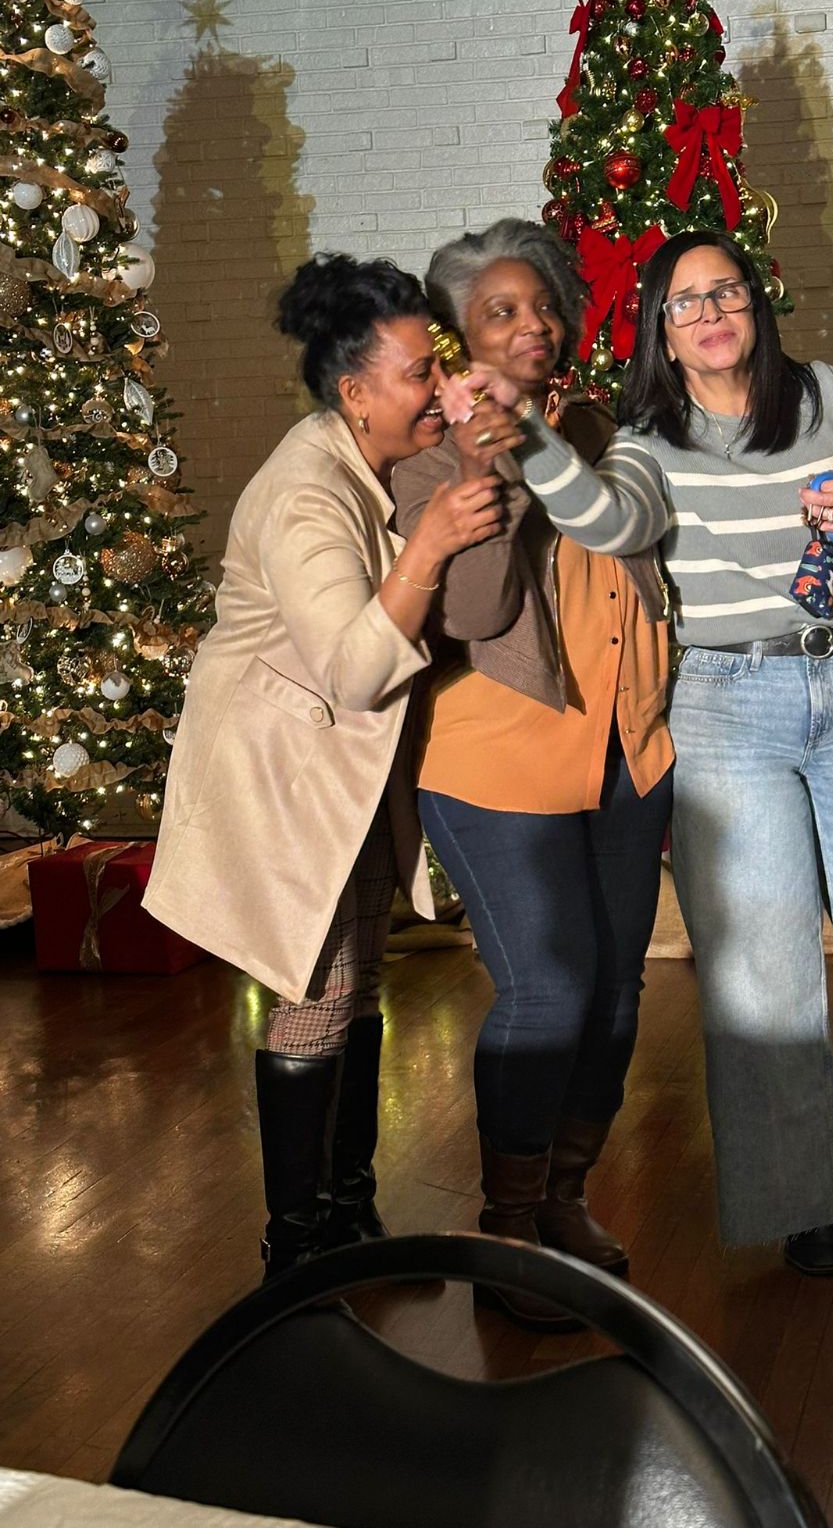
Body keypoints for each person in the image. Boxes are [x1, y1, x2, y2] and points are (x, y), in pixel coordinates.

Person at [441, 228, 833, 1276]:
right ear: (661, 331)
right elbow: (608, 521)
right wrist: (530, 437)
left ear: (754, 305)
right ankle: (797, 1202)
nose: (709, 313)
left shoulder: (824, 394)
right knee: (762, 971)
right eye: (684, 302)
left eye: (724, 291)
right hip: (725, 706)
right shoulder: (648, 435)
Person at [144, 254, 506, 1279]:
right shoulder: (306, 492)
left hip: (341, 767)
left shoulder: (370, 461)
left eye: (439, 364)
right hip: (281, 773)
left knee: (360, 981)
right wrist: (430, 545)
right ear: (354, 392)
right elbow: (352, 670)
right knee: (313, 991)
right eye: (418, 373)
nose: (438, 387)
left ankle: (348, 1216)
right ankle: (296, 1253)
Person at [390, 219, 673, 1327]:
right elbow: (474, 612)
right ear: (457, 337)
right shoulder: (429, 453)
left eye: (545, 304)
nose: (533, 325)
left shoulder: (601, 430)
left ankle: (564, 1198)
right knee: (548, 987)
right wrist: (486, 465)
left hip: (625, 749)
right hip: (495, 757)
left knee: (616, 987)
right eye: (500, 311)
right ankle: (507, 1222)